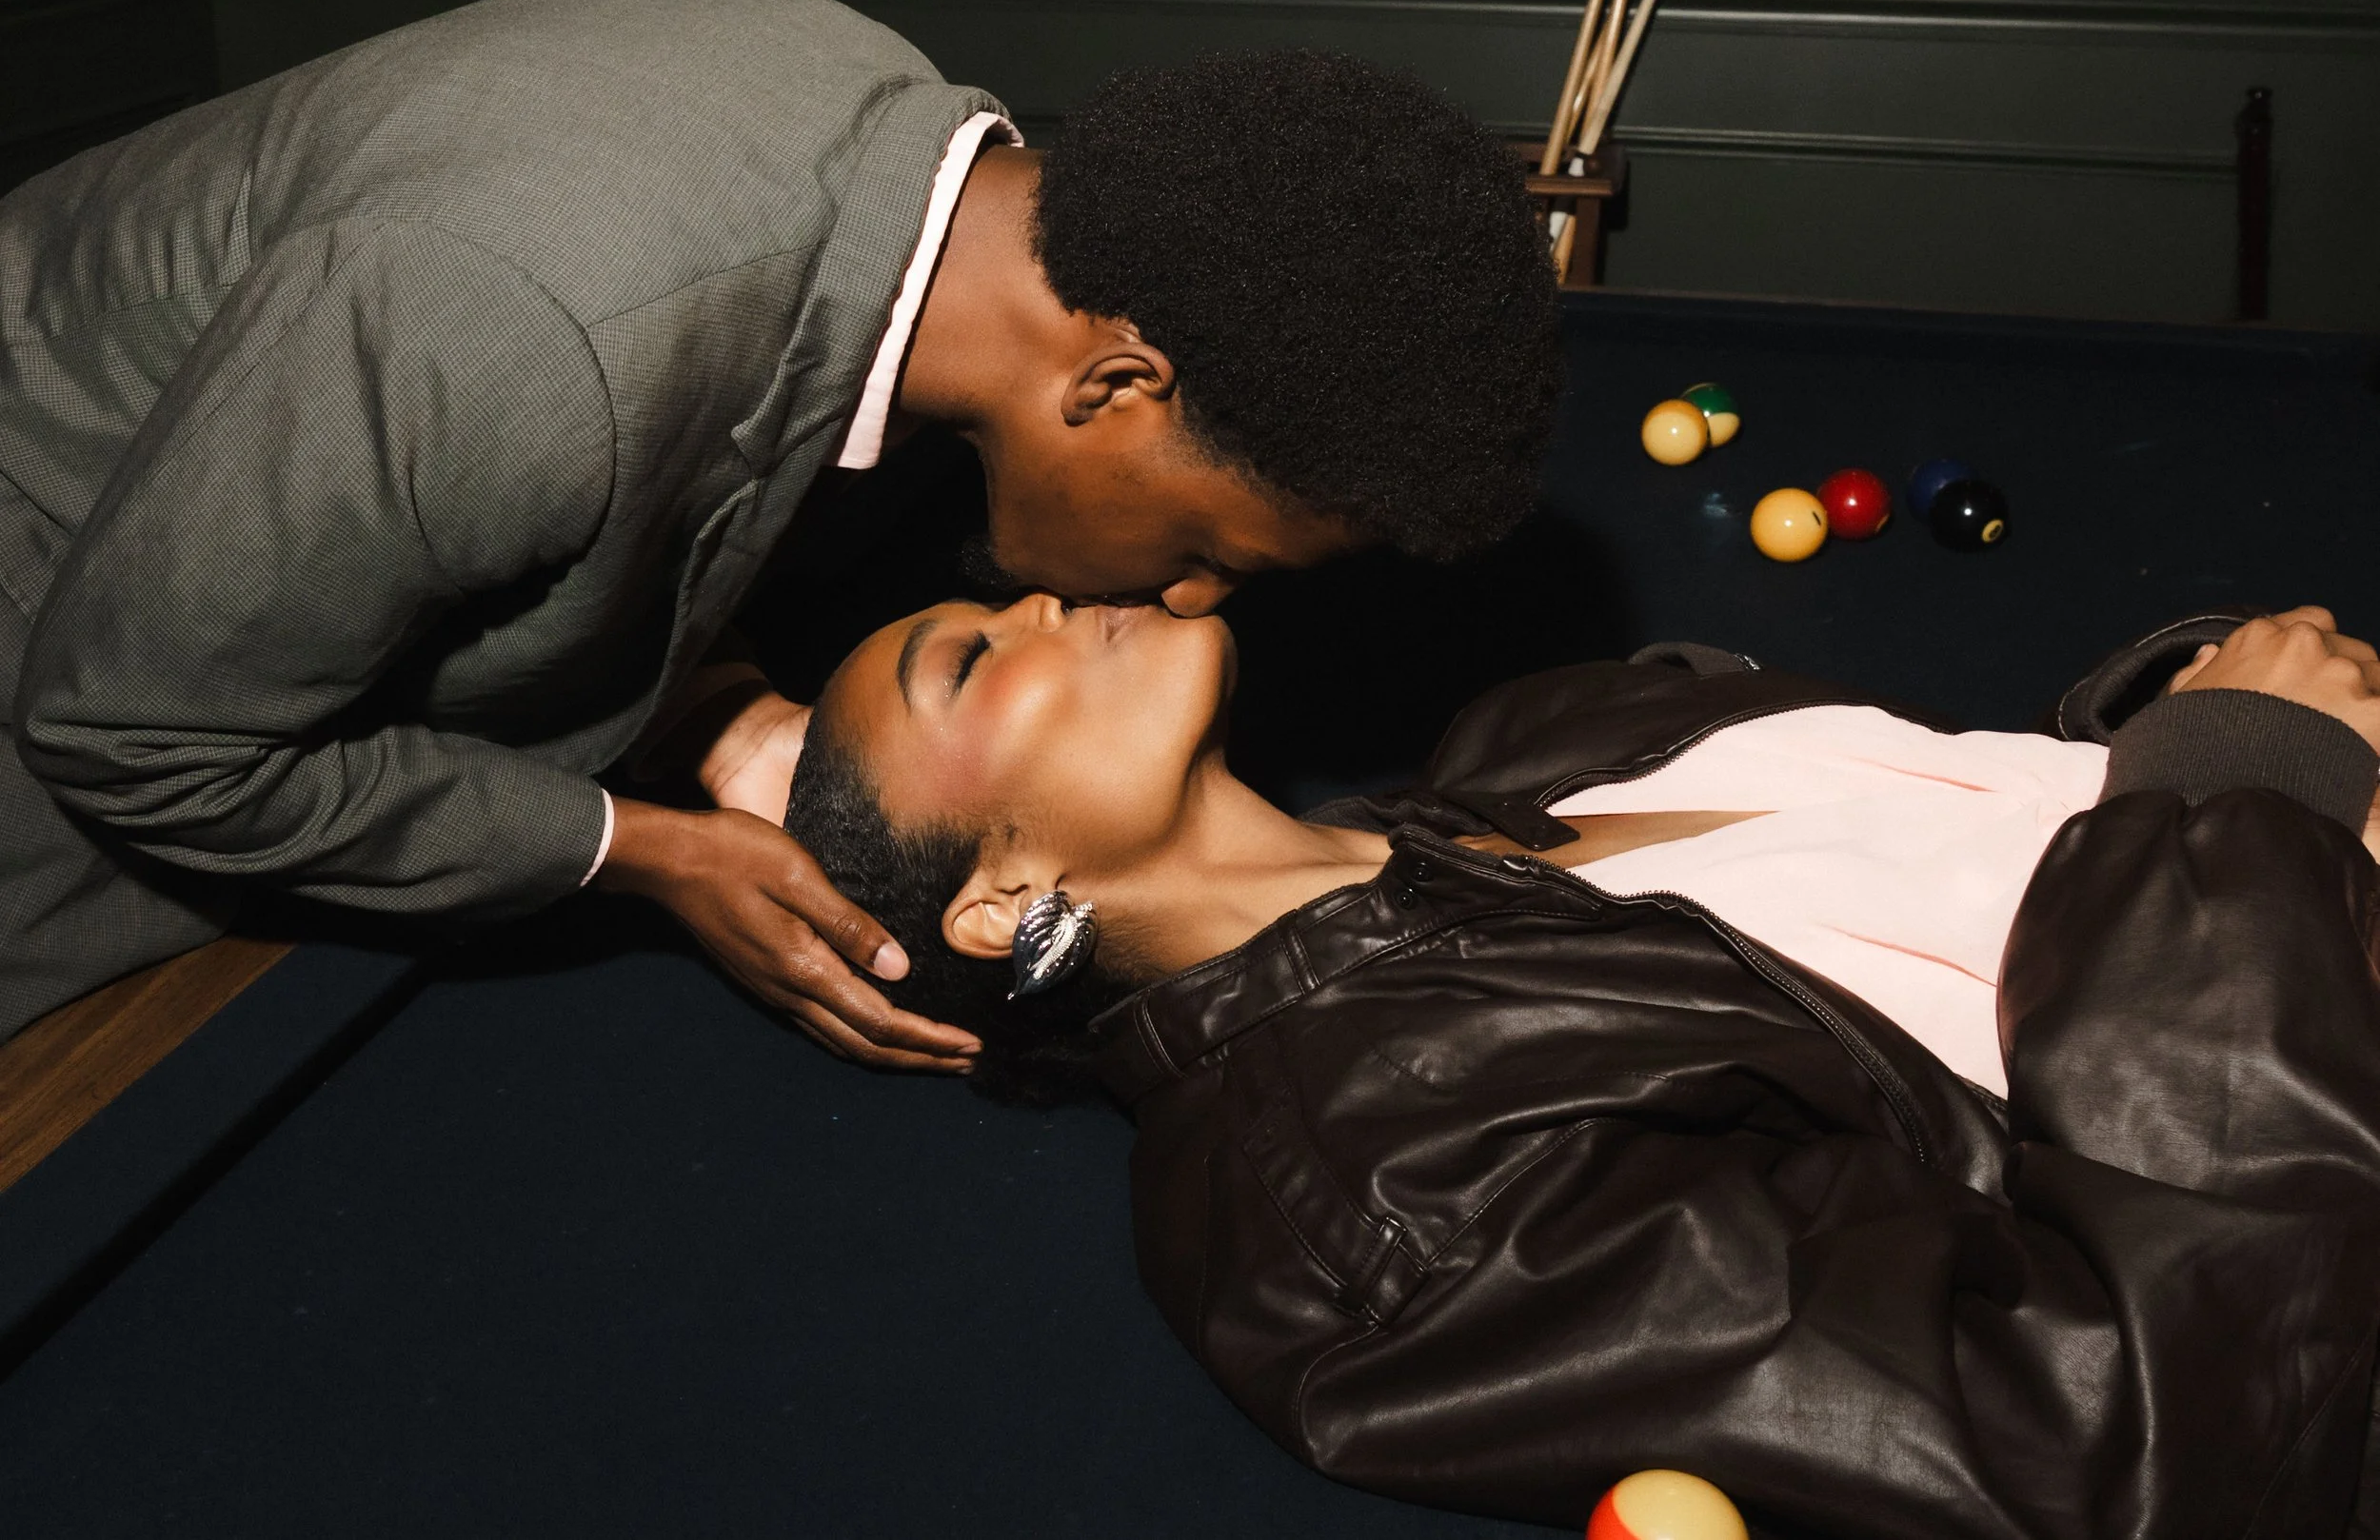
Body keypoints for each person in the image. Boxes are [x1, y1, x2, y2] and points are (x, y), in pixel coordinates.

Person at [0, 0, 1564, 1049]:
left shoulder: (887, 155)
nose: (1198, 606)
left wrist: (721, 707)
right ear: (1114, 390)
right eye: (1213, 550)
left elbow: (679, 438)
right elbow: (137, 733)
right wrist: (642, 851)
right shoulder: (530, 332)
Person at [780, 593, 2380, 1534]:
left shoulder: (1530, 746)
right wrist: (2248, 799)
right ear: (997, 901)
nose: (1045, 603)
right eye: (975, 658)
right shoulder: (1375, 1204)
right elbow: (2136, 1433)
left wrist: (2195, 729)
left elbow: (1963, 861)